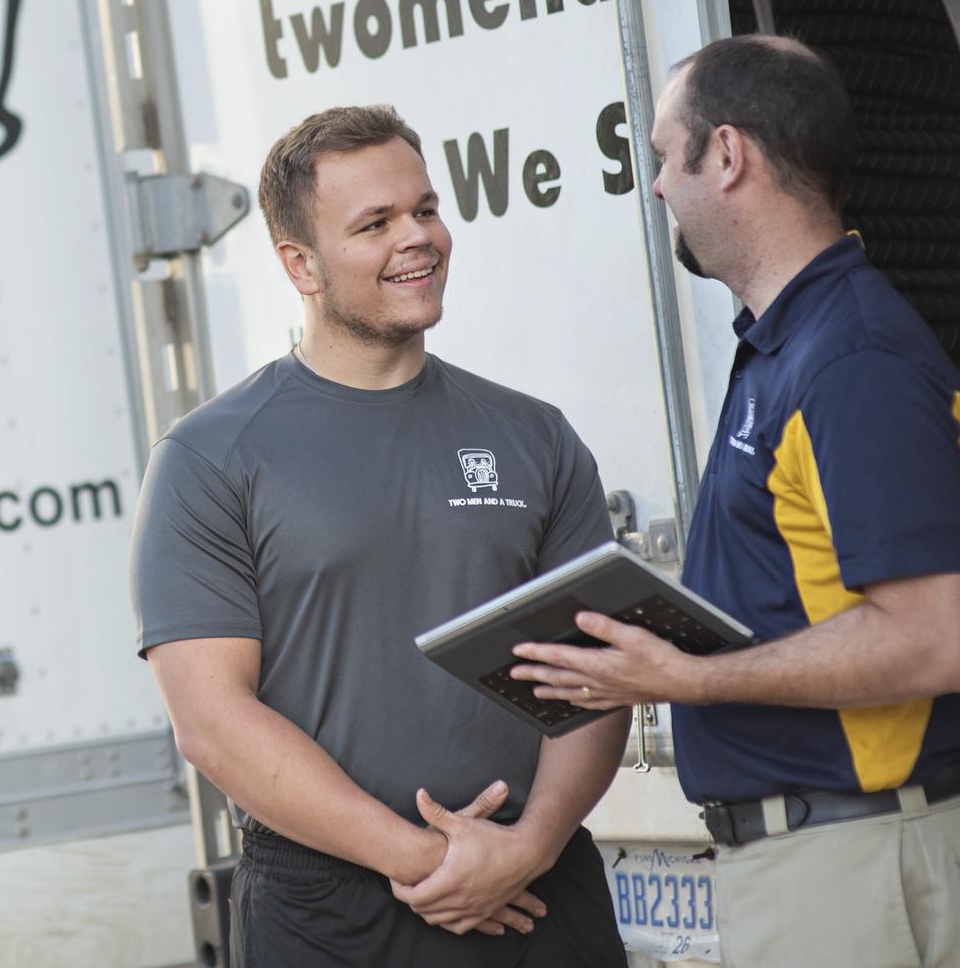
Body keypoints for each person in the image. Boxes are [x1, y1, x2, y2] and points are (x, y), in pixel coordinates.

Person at [511, 35, 960, 966]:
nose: (654, 186)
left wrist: (682, 678)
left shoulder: (850, 362)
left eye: (662, 154)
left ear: (727, 156)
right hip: (832, 868)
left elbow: (938, 638)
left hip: (859, 872)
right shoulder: (793, 342)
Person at [129, 105, 629, 967]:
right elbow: (211, 718)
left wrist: (532, 843)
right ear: (300, 265)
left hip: (536, 882)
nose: (418, 238)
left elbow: (598, 673)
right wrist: (428, 861)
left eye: (425, 209)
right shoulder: (211, 457)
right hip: (331, 910)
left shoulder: (532, 435)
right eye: (374, 224)